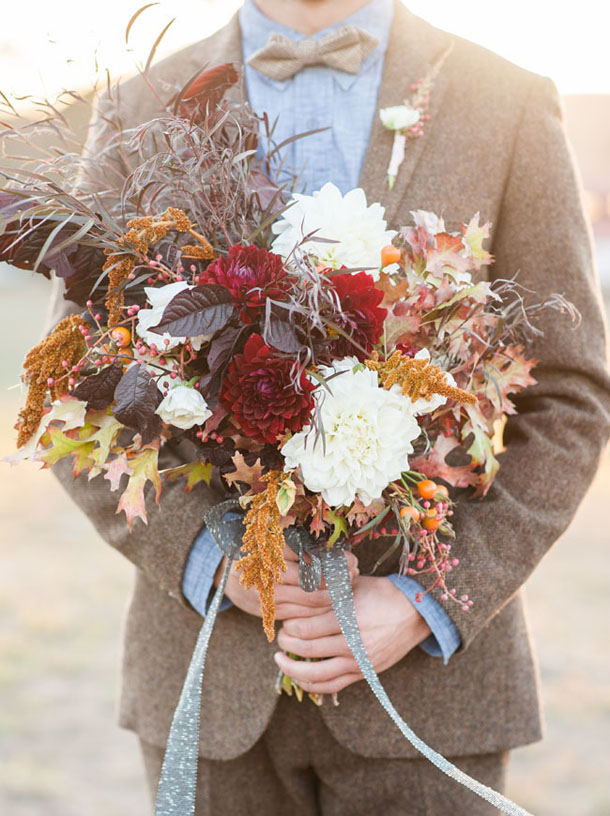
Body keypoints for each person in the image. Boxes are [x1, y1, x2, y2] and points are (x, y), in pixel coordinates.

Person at [46, 0, 610, 813]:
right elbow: (78, 389)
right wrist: (218, 565)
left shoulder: (507, 101)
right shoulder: (142, 102)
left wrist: (426, 602)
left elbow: (568, 392)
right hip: (212, 694)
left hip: (435, 699)